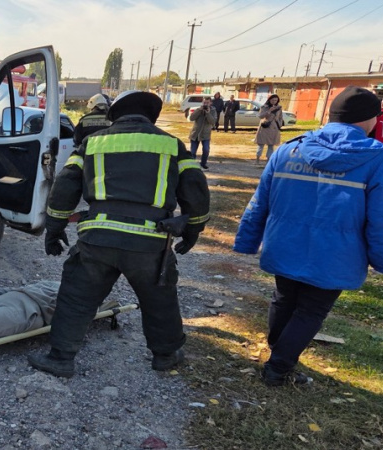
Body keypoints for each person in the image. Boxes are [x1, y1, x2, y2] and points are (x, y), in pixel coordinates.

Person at [27, 90, 211, 378]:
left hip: (97, 239)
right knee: (159, 299)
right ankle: (166, 355)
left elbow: (65, 187)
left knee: (76, 297)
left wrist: (54, 229)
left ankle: (61, 358)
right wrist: (193, 230)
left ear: (113, 115)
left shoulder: (92, 142)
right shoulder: (172, 145)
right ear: (152, 116)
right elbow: (196, 192)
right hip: (150, 243)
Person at [233, 86, 383, 387]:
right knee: (311, 310)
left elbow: (259, 202)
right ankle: (278, 368)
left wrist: (247, 240)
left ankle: (279, 352)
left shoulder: (289, 149)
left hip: (284, 245)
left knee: (284, 299)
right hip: (336, 255)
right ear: (371, 120)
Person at [255, 94, 284, 164]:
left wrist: (279, 124)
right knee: (261, 144)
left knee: (271, 145)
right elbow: (260, 116)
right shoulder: (264, 107)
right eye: (273, 100)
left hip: (274, 128)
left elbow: (281, 117)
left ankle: (268, 160)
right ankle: (257, 159)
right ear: (269, 100)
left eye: (276, 100)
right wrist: (269, 111)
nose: (274, 101)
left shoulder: (279, 108)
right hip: (265, 127)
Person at [189, 97, 216, 170]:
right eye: (204, 102)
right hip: (195, 134)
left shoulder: (213, 111)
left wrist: (208, 113)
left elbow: (213, 122)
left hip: (205, 134)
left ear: (210, 103)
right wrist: (199, 110)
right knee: (193, 152)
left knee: (206, 150)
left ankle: (203, 163)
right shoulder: (198, 109)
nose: (205, 104)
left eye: (207, 103)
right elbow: (191, 118)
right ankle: (192, 165)